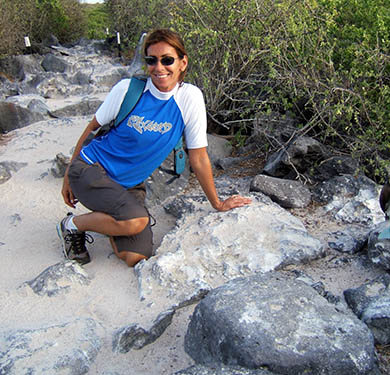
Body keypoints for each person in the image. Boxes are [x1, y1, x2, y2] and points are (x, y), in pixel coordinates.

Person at [58, 28, 252, 267]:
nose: (159, 68)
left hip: (128, 185)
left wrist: (218, 203)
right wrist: (68, 175)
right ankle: (71, 225)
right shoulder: (128, 90)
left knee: (135, 257)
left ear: (183, 62)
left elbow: (199, 157)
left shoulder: (189, 98)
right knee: (137, 220)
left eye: (167, 60)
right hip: (91, 169)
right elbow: (91, 129)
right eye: (152, 60)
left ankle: (113, 218)